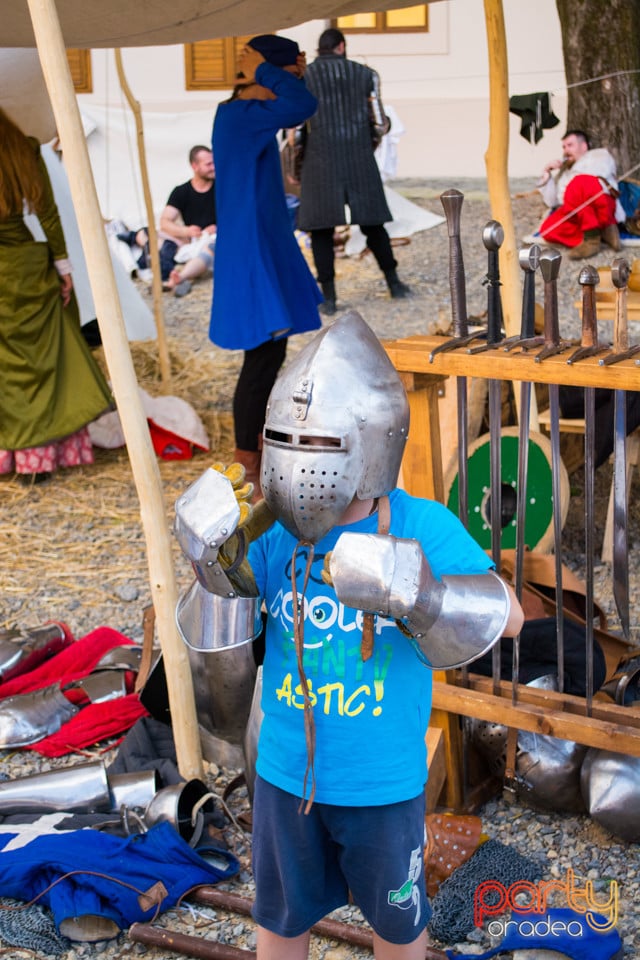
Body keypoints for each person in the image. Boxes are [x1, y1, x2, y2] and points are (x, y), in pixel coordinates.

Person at [175, 311, 524, 960]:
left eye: (321, 446)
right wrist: (205, 555)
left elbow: (510, 618)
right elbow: (219, 613)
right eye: (289, 442)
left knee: (396, 928)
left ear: (369, 445)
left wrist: (421, 594)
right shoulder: (273, 530)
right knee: (280, 921)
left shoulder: (423, 524)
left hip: (382, 785)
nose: (302, 464)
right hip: (283, 776)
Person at [209, 34, 322, 497]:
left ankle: (256, 450)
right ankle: (246, 467)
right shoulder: (239, 115)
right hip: (252, 249)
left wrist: (270, 72)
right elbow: (303, 103)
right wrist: (267, 72)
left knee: (269, 354)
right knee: (260, 357)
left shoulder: (247, 116)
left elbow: (297, 100)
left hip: (261, 244)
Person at [0, 109, 112, 484]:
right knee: (45, 364)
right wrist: (63, 268)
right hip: (27, 263)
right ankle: (40, 460)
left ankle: (9, 455)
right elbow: (47, 215)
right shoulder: (23, 147)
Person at [297, 28, 411, 314]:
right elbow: (380, 124)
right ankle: (394, 284)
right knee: (373, 224)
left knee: (321, 231)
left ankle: (330, 298)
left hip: (319, 159)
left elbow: (297, 131)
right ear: (341, 46)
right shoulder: (365, 74)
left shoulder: (305, 76)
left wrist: (298, 164)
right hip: (359, 156)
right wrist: (367, 144)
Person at [535, 129, 625, 260]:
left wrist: (574, 180)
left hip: (601, 207)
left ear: (584, 146)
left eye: (570, 145)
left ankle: (595, 235)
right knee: (547, 230)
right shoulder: (565, 174)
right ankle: (598, 235)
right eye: (564, 147)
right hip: (579, 216)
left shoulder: (599, 156)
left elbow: (594, 180)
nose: (566, 150)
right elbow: (552, 202)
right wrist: (547, 174)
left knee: (579, 183)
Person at [158, 145, 217, 296]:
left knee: (213, 247)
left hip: (215, 239)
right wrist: (186, 231)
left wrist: (218, 227)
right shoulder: (181, 192)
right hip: (192, 240)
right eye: (208, 164)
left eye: (213, 162)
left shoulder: (221, 187)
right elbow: (164, 221)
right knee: (152, 234)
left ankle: (180, 277)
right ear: (194, 166)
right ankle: (166, 270)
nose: (213, 167)